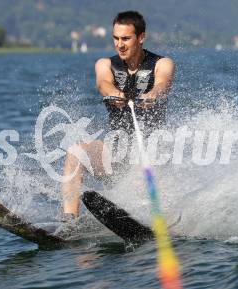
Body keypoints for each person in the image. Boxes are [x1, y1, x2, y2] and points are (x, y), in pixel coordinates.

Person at [60, 11, 175, 220]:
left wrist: (152, 95)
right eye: (116, 38)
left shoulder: (162, 63)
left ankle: (153, 219)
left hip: (151, 152)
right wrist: (112, 92)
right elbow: (102, 83)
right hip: (117, 151)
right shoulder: (105, 64)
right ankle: (69, 221)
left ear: (141, 38)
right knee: (75, 152)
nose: (119, 44)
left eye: (126, 39)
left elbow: (162, 84)